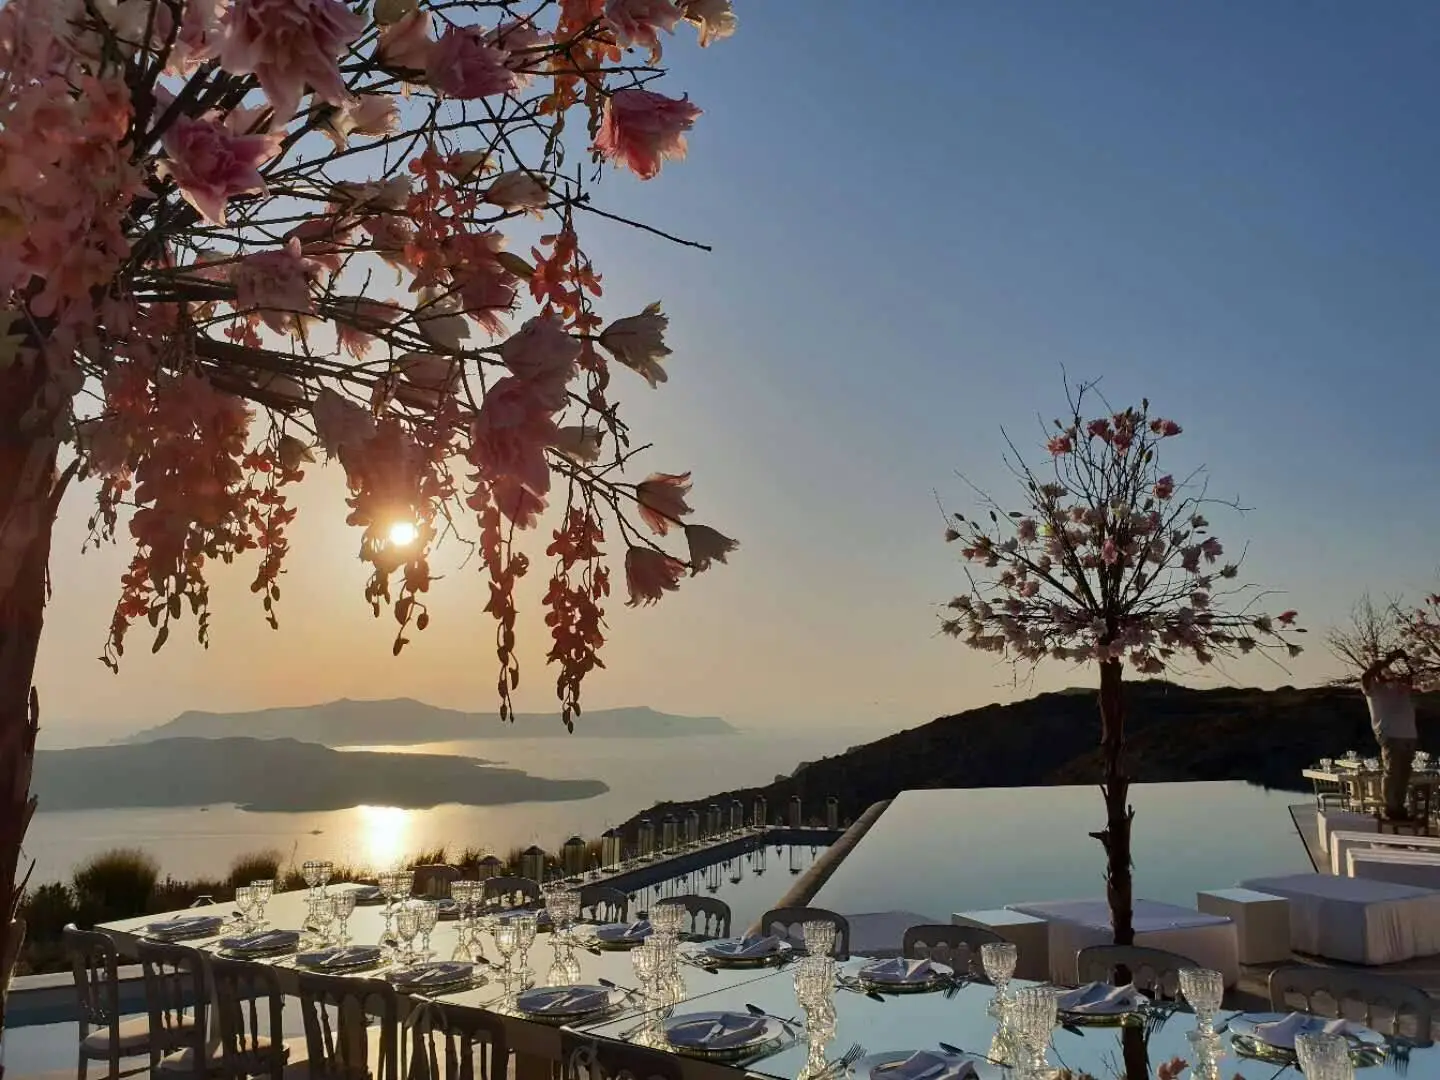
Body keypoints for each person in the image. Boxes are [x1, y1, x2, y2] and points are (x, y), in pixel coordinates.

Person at [1362, 648, 1418, 820]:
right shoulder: (1373, 688)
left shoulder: (1400, 687)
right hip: (1390, 734)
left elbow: (1413, 675)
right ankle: (1390, 808)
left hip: (1409, 734)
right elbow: (1366, 677)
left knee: (1404, 774)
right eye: (1383, 670)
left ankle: (1399, 808)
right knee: (1392, 772)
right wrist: (1387, 660)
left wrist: (1405, 659)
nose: (1388, 672)